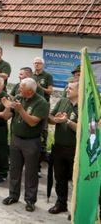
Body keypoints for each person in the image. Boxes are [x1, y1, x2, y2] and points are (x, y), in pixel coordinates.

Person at [1, 78, 50, 212]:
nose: (18, 90)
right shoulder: (18, 97)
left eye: (21, 88)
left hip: (31, 142)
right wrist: (7, 107)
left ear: (29, 91)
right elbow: (7, 116)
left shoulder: (41, 103)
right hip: (16, 139)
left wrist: (21, 110)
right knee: (15, 169)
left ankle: (30, 200)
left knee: (30, 172)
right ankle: (13, 195)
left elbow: (33, 122)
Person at [47, 81, 78, 215]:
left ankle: (76, 208)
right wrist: (55, 120)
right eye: (67, 87)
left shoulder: (85, 106)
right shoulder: (62, 101)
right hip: (59, 147)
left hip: (75, 150)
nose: (67, 90)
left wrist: (68, 122)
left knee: (75, 181)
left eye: (70, 88)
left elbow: (86, 130)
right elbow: (49, 117)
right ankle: (61, 204)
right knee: (59, 178)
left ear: (79, 90)